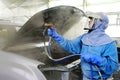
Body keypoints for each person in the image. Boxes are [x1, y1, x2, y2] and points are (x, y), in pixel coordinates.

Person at [47, 12, 119, 80]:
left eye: (91, 19)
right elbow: (70, 46)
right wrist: (56, 36)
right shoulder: (84, 38)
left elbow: (113, 66)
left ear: (99, 22)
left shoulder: (109, 43)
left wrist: (98, 60)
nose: (89, 21)